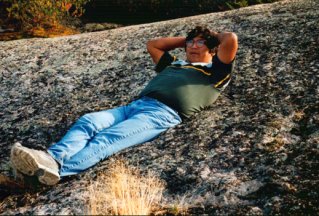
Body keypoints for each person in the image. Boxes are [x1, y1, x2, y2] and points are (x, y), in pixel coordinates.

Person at [10, 26, 238, 185]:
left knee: (108, 138)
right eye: (190, 42)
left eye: (200, 43)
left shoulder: (215, 73)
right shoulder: (175, 64)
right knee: (89, 121)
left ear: (213, 48)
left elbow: (231, 39)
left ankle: (58, 171)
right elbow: (154, 45)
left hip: (162, 114)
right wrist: (190, 38)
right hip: (135, 106)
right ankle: (52, 159)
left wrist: (210, 36)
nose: (193, 46)